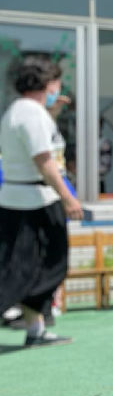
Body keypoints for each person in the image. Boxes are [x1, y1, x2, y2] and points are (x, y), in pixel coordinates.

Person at [0, 53, 83, 347]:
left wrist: (53, 113)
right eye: (56, 82)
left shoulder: (19, 111)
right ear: (46, 83)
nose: (58, 88)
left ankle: (35, 329)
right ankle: (23, 313)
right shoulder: (32, 114)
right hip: (37, 201)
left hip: (18, 199)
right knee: (49, 265)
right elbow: (45, 161)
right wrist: (68, 198)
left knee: (21, 267)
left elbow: (41, 147)